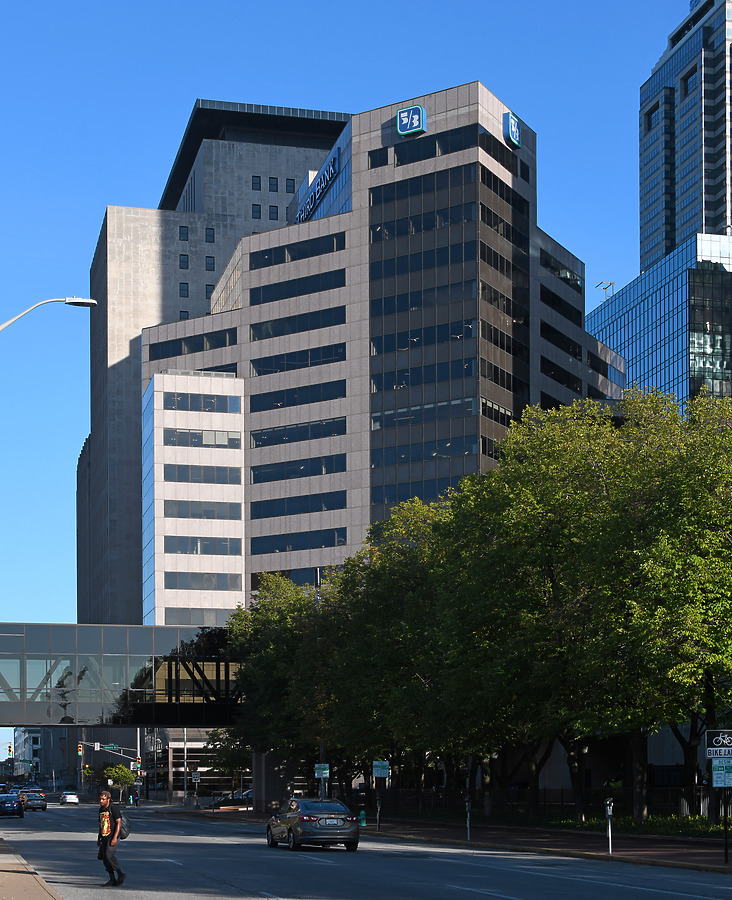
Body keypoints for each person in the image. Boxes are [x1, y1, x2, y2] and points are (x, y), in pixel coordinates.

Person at [97, 791, 126, 887]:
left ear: (108, 799)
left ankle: (120, 874)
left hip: (113, 836)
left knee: (109, 856)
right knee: (105, 859)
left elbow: (119, 823)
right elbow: (101, 824)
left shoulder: (113, 808)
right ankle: (112, 879)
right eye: (100, 799)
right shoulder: (101, 809)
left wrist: (114, 838)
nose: (101, 801)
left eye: (103, 799)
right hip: (104, 837)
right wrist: (99, 838)